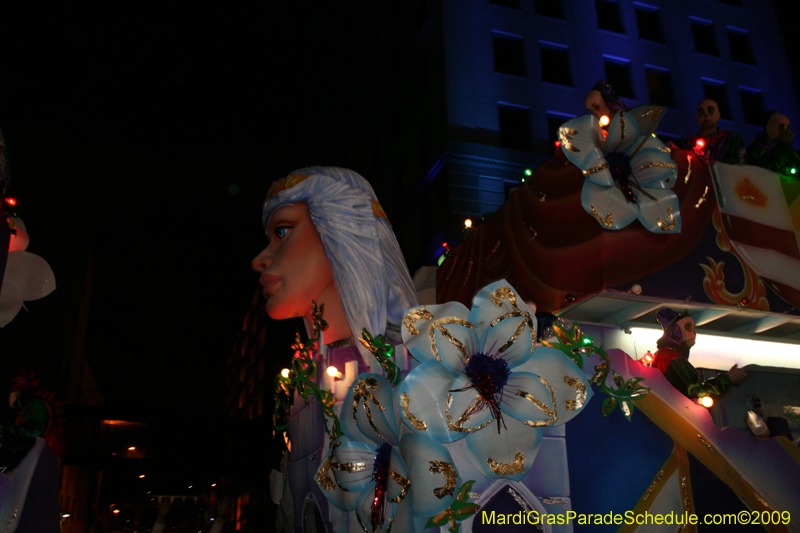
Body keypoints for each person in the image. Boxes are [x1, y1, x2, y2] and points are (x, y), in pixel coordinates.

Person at [251, 167, 418, 532]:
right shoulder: (304, 378)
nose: (260, 259)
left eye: (282, 231)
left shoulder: (414, 370)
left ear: (342, 226)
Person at [651, 308, 747, 399]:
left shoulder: (666, 356)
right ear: (675, 330)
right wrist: (727, 379)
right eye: (688, 327)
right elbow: (695, 393)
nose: (694, 333)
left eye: (694, 328)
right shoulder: (671, 358)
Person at [680, 99, 745, 164]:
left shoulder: (730, 139)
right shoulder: (688, 144)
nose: (706, 114)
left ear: (718, 116)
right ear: (697, 118)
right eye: (701, 112)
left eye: (710, 111)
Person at [746, 110, 800, 174]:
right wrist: (784, 144)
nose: (785, 132)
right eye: (781, 128)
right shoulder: (756, 151)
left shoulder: (788, 151)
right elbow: (770, 168)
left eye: (788, 128)